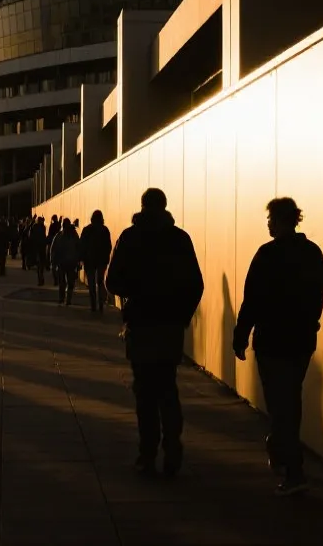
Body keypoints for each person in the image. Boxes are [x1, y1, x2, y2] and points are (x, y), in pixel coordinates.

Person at [106, 188, 203, 478]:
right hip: (170, 325)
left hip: (141, 324)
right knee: (167, 388)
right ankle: (172, 450)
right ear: (165, 206)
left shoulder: (130, 237)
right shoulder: (179, 239)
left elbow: (112, 282)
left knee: (144, 392)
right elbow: (195, 284)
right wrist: (182, 315)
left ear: (142, 206)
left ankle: (147, 454)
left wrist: (135, 292)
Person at [233, 197, 323, 496]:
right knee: (290, 399)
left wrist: (240, 335)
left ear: (279, 220)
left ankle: (292, 468)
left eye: (270, 219)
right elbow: (317, 298)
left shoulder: (267, 254)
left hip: (272, 340)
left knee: (280, 404)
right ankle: (281, 450)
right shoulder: (313, 253)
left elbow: (252, 299)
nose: (268, 224)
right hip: (301, 340)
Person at [79, 210, 113, 313]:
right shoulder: (105, 230)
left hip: (89, 260)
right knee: (100, 282)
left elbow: (82, 245)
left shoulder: (87, 229)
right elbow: (109, 246)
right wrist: (106, 257)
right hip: (102, 260)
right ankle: (101, 304)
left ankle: (93, 304)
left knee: (91, 283)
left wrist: (81, 258)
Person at [50, 219, 80, 306]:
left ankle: (62, 298)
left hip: (62, 262)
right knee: (69, 282)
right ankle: (67, 299)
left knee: (62, 282)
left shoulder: (59, 235)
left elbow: (53, 249)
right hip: (70, 262)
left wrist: (53, 261)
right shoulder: (74, 235)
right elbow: (78, 247)